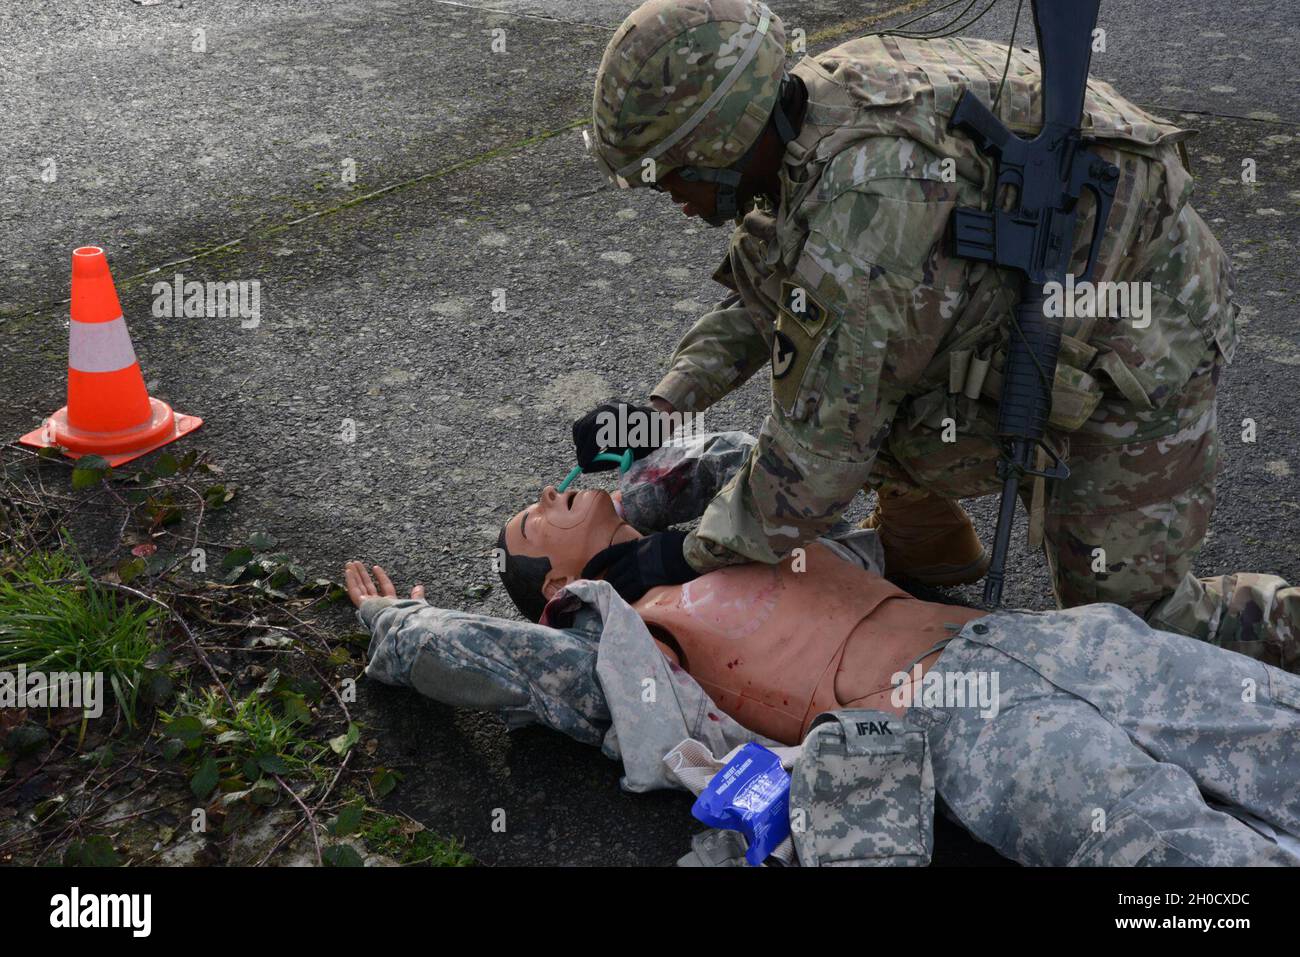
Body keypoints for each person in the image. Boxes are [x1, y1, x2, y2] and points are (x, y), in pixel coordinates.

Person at [571, 0, 1239, 623]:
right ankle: (929, 540)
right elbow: (766, 295)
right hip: (1036, 283)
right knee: (873, 390)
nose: (671, 198)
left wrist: (680, 556)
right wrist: (659, 409)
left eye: (668, 174)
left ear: (720, 141)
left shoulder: (868, 205)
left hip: (1147, 322)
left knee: (1127, 627)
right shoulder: (800, 114)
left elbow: (818, 457)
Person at [349, 433, 1299, 866]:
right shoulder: (621, 637)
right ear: (554, 590)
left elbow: (737, 452)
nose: (544, 496)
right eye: (532, 519)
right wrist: (400, 626)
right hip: (962, 720)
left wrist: (634, 474)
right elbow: (504, 666)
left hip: (1044, 642)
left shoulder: (727, 528)